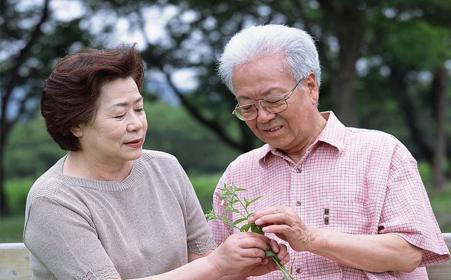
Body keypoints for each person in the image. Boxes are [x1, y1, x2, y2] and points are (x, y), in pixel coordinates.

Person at [23, 46, 289, 279]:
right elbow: (209, 266)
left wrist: (236, 269)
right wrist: (217, 265)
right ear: (76, 125)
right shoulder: (53, 200)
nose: (136, 124)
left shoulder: (166, 168)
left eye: (138, 109)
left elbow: (201, 261)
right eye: (119, 115)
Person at [210, 24, 450, 279]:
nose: (263, 116)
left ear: (310, 86)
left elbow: (409, 254)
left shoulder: (381, 153)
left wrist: (311, 238)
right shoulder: (238, 174)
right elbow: (215, 265)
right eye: (247, 107)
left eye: (273, 100)